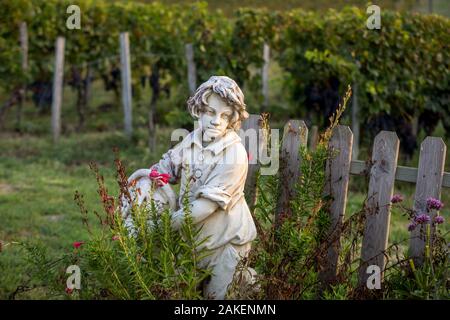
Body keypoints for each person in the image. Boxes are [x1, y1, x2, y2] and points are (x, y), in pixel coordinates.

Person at [127, 76, 257, 299]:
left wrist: (159, 227)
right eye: (210, 112)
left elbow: (203, 208)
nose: (216, 121)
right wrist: (145, 188)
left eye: (224, 115)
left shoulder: (234, 154)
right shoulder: (193, 140)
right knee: (181, 295)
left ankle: (251, 285)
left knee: (220, 297)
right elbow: (165, 169)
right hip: (192, 244)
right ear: (198, 110)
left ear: (233, 119)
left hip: (225, 245)